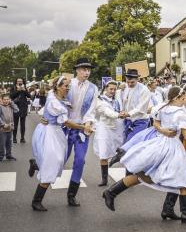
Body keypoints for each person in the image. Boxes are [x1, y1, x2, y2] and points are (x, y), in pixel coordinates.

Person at [102, 85, 186, 223]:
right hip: (171, 147)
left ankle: (113, 192)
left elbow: (158, 122)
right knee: (177, 178)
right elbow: (185, 134)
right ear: (181, 96)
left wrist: (163, 130)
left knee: (150, 175)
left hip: (160, 144)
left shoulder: (166, 108)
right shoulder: (179, 112)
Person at [30, 77, 92, 211]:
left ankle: (37, 164)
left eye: (69, 86)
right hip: (50, 133)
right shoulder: (54, 101)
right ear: (58, 87)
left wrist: (45, 116)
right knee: (53, 164)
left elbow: (46, 110)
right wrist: (83, 128)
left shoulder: (55, 95)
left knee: (58, 161)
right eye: (65, 86)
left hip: (56, 132)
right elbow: (66, 122)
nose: (68, 89)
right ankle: (36, 201)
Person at [59, 58, 98, 206]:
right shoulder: (67, 84)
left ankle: (71, 194)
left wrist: (87, 124)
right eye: (83, 69)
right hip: (66, 127)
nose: (86, 72)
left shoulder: (93, 88)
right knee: (60, 159)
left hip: (82, 129)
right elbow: (56, 100)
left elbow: (92, 109)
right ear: (77, 70)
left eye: (88, 70)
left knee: (80, 161)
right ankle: (38, 165)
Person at [93, 81, 125, 187]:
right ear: (105, 88)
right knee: (103, 154)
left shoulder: (117, 99)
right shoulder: (99, 100)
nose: (113, 91)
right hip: (104, 129)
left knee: (121, 150)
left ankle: (127, 176)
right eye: (110, 89)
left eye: (114, 89)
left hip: (117, 128)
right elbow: (107, 112)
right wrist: (119, 115)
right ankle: (104, 179)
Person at [10, 77, 31, 143]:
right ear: (16, 82)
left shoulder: (24, 88)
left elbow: (29, 96)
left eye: (21, 81)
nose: (19, 82)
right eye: (18, 81)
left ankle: (22, 138)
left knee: (23, 125)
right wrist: (18, 90)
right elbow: (11, 96)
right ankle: (14, 138)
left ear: (23, 82)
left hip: (23, 108)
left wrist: (24, 90)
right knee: (15, 125)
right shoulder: (13, 88)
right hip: (15, 108)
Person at [0, 93, 19, 161]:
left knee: (9, 142)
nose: (6, 101)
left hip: (10, 128)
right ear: (1, 100)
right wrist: (3, 124)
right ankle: (1, 156)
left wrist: (12, 103)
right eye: (4, 99)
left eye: (8, 99)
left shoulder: (10, 106)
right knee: (2, 143)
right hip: (2, 128)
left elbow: (17, 110)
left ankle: (8, 155)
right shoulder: (0, 106)